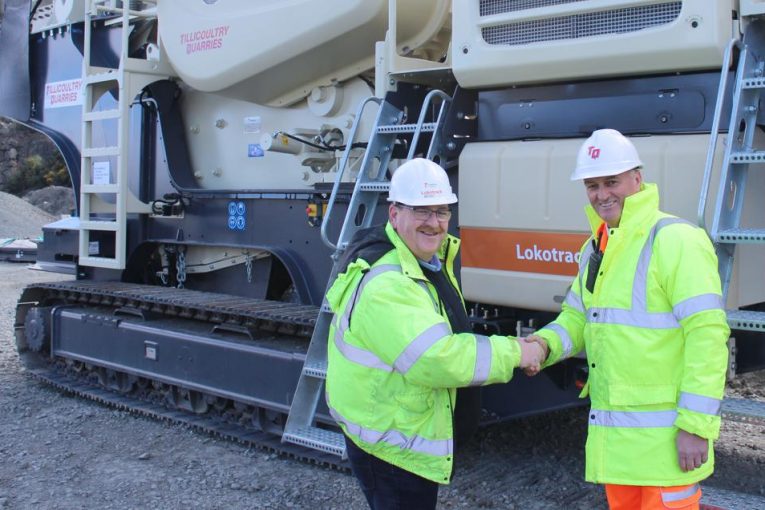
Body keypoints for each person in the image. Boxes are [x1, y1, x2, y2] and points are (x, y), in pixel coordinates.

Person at [526, 129, 730, 510]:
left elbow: (708, 337)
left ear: (637, 178)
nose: (602, 194)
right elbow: (577, 318)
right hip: (618, 448)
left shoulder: (675, 240)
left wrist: (696, 427)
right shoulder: (595, 248)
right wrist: (544, 344)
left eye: (611, 182)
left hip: (668, 448)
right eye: (592, 185)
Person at [325, 158, 545, 509]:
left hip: (398, 428)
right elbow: (437, 358)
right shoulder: (388, 284)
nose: (435, 223)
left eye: (442, 212)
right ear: (394, 214)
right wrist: (519, 352)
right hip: (392, 448)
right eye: (422, 212)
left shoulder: (423, 260)